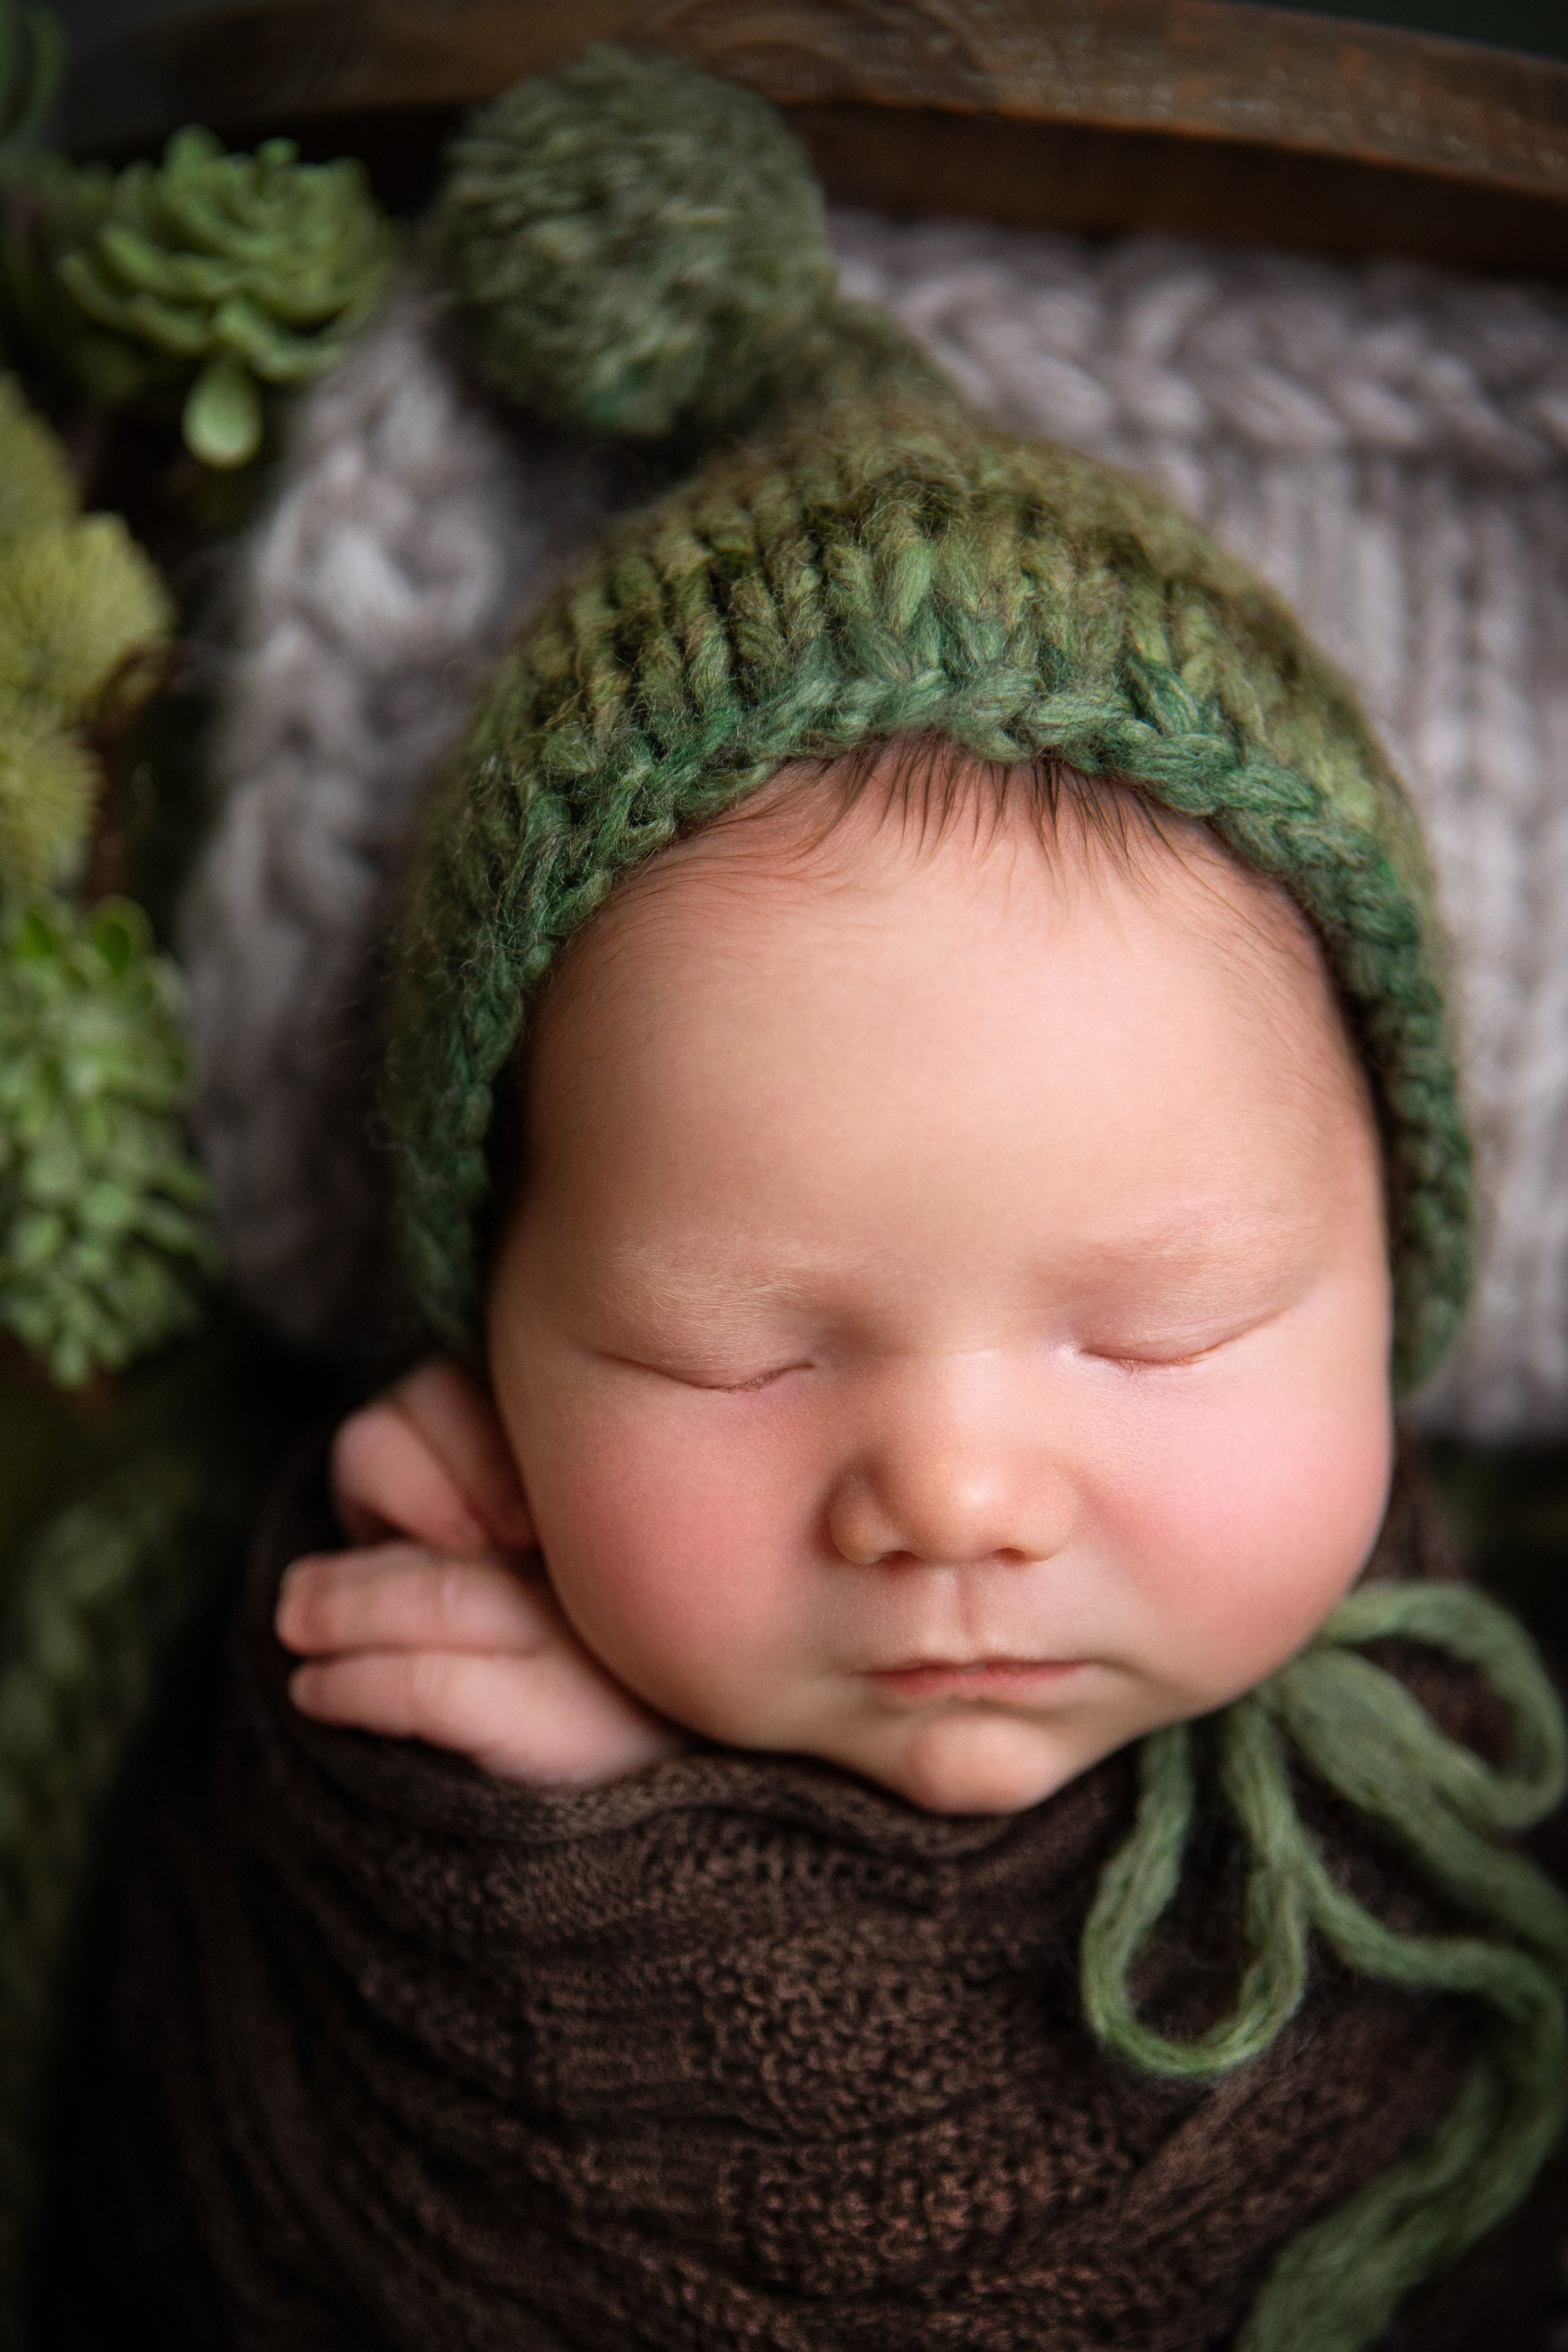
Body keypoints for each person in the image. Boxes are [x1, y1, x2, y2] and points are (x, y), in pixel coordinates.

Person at [36, 48, 1568, 2352]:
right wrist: (560, 1871)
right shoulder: (374, 1687)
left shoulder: (1462, 1764)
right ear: (493, 1332)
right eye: (727, 1348)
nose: (950, 1489)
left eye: (1153, 1331)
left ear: (1391, 1285)